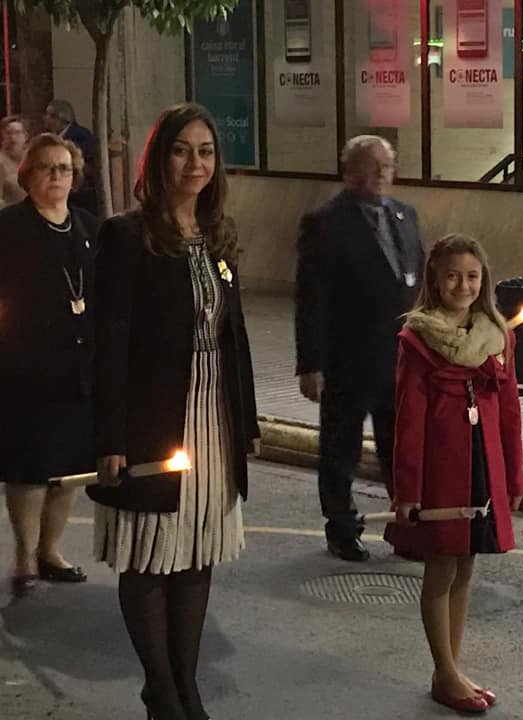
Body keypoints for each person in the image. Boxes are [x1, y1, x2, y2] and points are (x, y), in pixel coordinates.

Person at [91, 103, 259, 720]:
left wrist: (249, 420)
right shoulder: (127, 234)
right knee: (152, 553)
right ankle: (160, 691)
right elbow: (107, 343)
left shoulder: (216, 236)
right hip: (156, 419)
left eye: (207, 151)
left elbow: (235, 335)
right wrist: (110, 435)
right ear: (158, 158)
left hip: (215, 417)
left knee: (196, 553)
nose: (196, 163)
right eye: (183, 150)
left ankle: (186, 689)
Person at [386, 234, 523, 714]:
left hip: (483, 461)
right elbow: (407, 419)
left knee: (467, 563)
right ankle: (444, 673)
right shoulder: (418, 339)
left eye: (472, 276)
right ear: (434, 280)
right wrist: (407, 488)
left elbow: (509, 412)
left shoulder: (497, 334)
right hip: (441, 469)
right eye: (452, 276)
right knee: (441, 567)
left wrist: (514, 477)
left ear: (483, 280)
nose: (462, 285)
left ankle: (452, 668)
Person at [295, 135, 425, 562]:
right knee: (340, 450)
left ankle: (405, 525)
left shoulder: (406, 216)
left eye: (387, 166)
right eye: (371, 167)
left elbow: (420, 283)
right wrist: (311, 364)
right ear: (349, 172)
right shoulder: (326, 223)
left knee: (399, 448)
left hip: (399, 360)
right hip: (347, 359)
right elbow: (311, 298)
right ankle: (341, 527)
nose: (381, 175)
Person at [0, 134, 99, 598]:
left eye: (65, 168)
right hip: (25, 368)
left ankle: (51, 550)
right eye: (47, 168)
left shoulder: (89, 228)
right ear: (28, 175)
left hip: (77, 368)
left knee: (69, 470)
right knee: (30, 467)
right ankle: (23, 557)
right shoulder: (9, 228)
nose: (57, 176)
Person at [44, 99, 97, 215]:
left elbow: (84, 164)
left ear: (60, 118)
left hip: (80, 194)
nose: (45, 118)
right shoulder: (51, 137)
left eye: (49, 115)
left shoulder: (80, 135)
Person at [0, 115, 29, 207]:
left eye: (17, 133)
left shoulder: (32, 159)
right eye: (8, 133)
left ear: (25, 136)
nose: (13, 137)